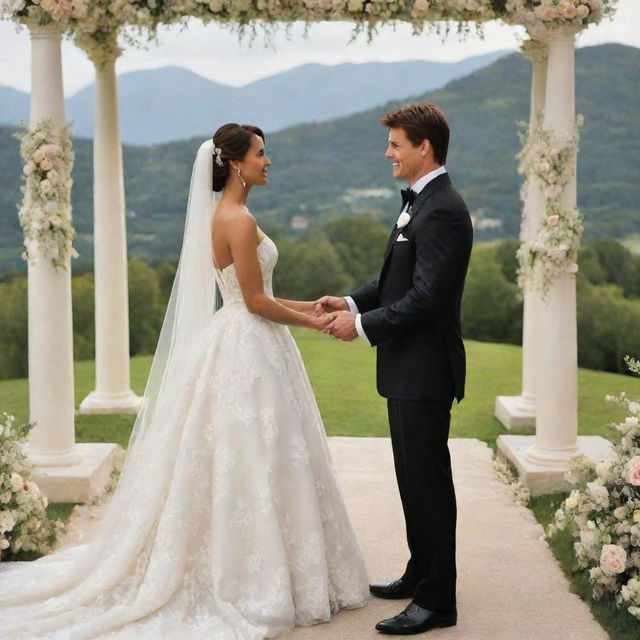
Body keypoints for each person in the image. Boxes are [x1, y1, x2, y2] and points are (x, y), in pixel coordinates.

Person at [0, 123, 369, 638]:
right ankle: (256, 572)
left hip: (250, 335)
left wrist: (314, 303)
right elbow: (255, 302)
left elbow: (253, 294)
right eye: (262, 154)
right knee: (255, 452)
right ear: (236, 163)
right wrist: (316, 324)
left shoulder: (234, 215)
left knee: (265, 452)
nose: (269, 162)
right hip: (249, 338)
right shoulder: (235, 218)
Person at [317, 103, 473, 635]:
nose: (388, 153)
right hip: (407, 368)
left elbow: (428, 297)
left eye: (395, 145)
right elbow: (396, 284)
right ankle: (419, 572)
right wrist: (349, 301)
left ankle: (437, 600)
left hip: (426, 369)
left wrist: (362, 328)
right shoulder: (419, 205)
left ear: (422, 147)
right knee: (412, 479)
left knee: (428, 483)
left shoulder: (443, 210)